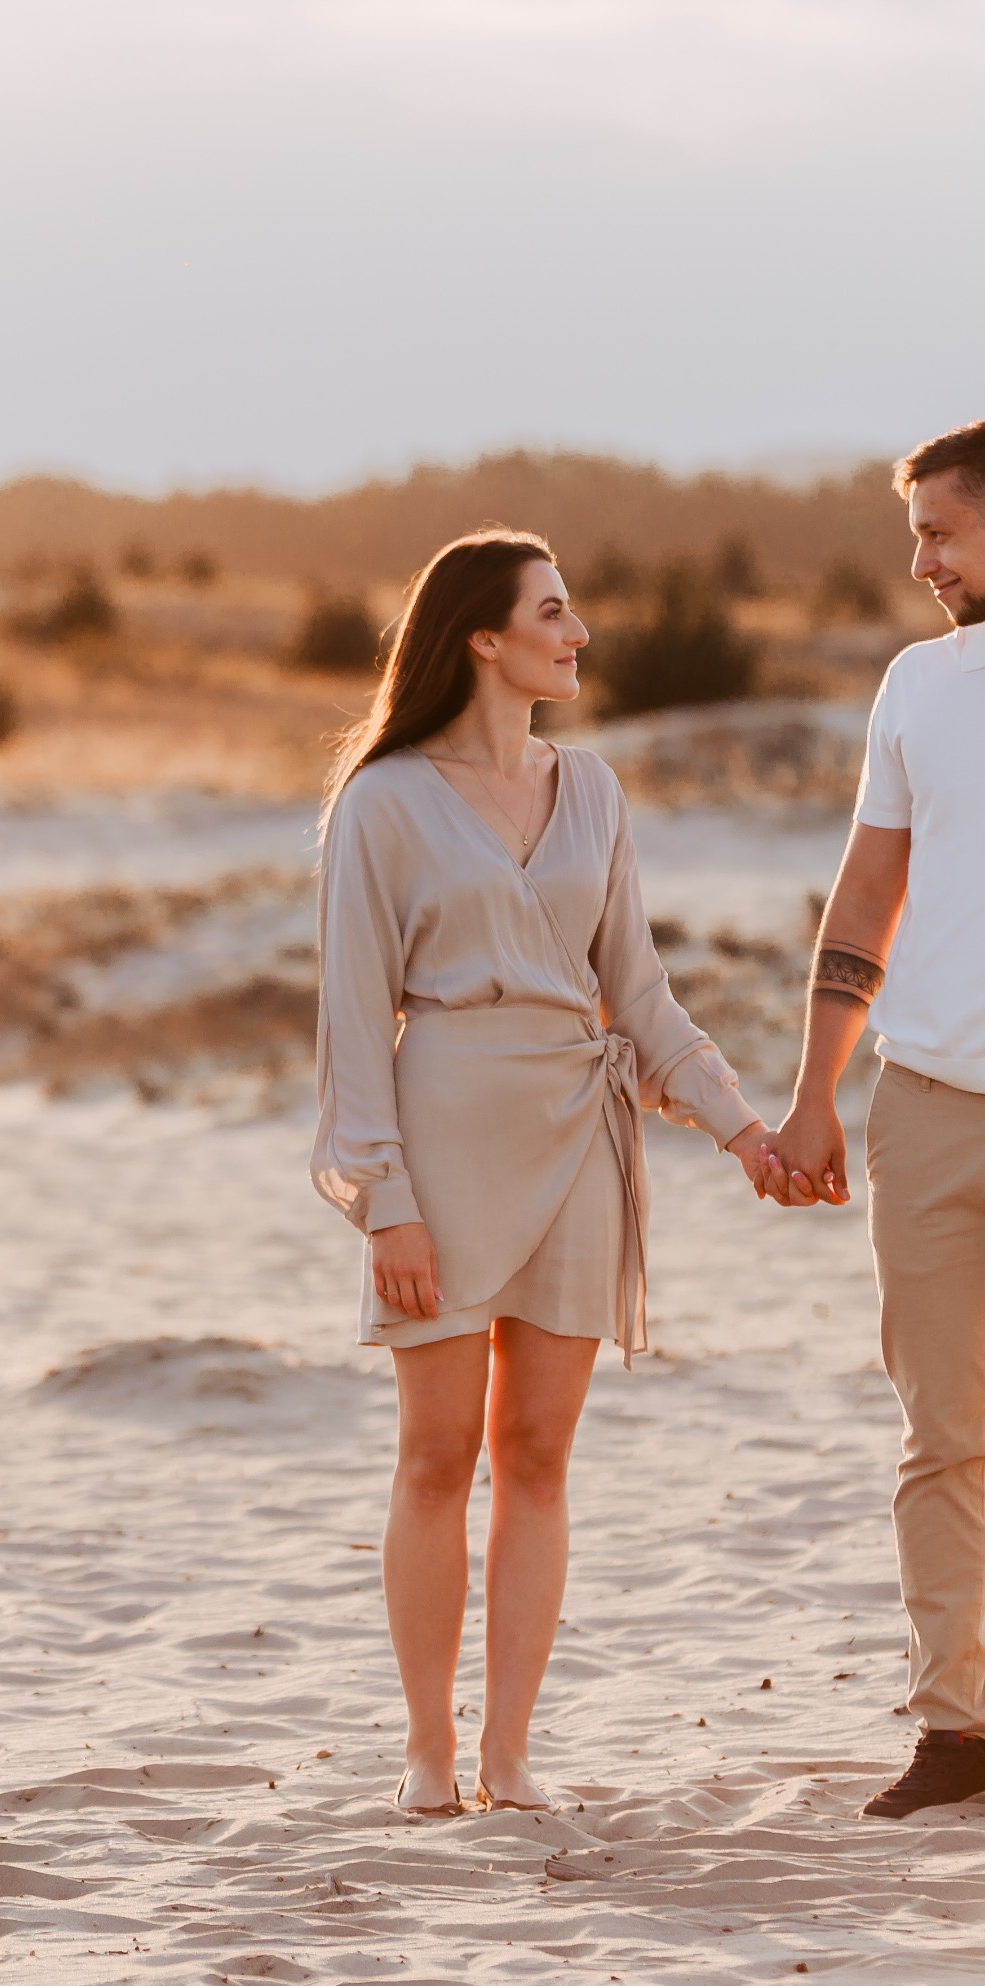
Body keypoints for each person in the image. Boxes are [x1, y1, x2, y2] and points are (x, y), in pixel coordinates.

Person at [313, 528, 771, 1817]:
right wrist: (382, 1203)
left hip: (580, 1133)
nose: (578, 634)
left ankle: (508, 1754)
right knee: (434, 1453)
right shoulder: (383, 802)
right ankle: (426, 1750)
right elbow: (353, 1023)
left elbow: (641, 993)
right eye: (554, 612)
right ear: (482, 636)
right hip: (442, 1140)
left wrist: (746, 1130)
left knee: (536, 1452)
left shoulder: (598, 792)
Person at [761, 419, 985, 1819]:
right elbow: (864, 902)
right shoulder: (917, 687)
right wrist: (813, 1094)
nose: (920, 563)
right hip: (927, 1109)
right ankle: (960, 1727)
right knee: (944, 1428)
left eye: (942, 532)